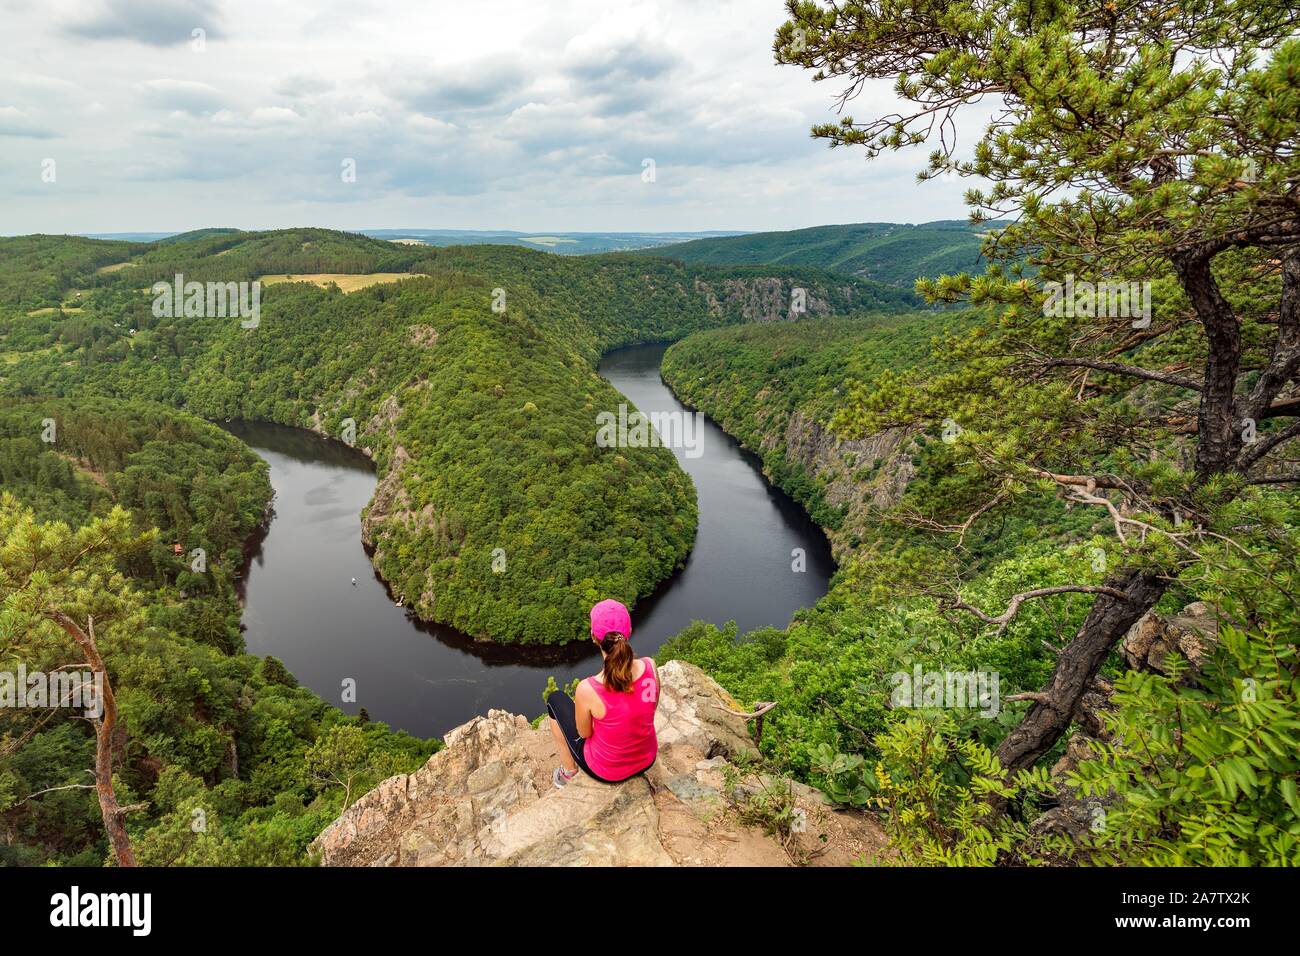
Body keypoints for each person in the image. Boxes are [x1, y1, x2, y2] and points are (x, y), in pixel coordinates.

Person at [547, 599, 659, 788]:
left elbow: (584, 733)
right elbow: (650, 708)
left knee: (554, 700)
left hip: (608, 771)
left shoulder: (588, 689)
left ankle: (568, 772)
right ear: (629, 633)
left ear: (593, 636)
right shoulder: (650, 666)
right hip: (647, 759)